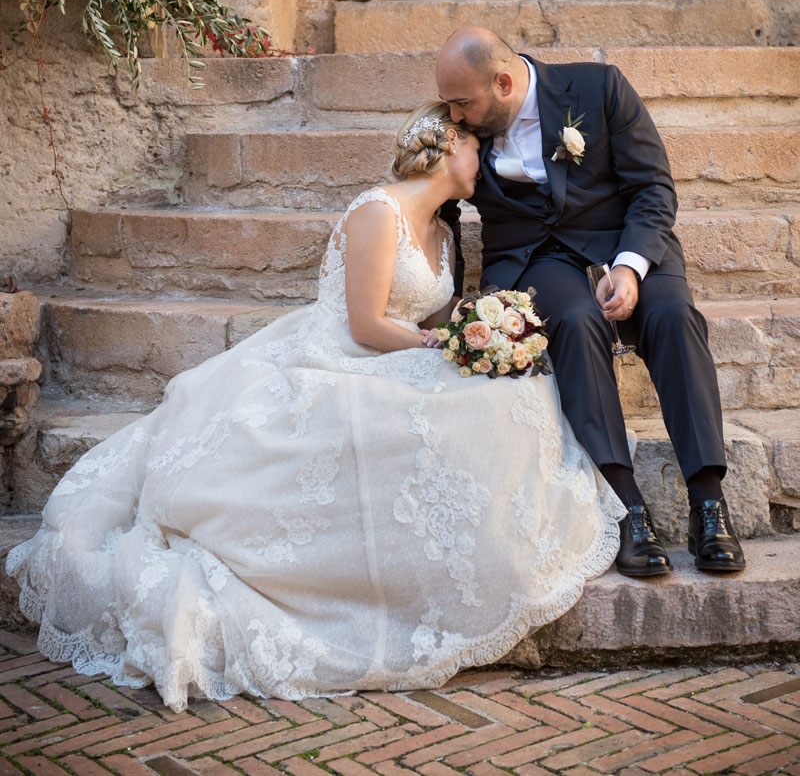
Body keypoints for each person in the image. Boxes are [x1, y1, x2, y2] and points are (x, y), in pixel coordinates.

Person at [7, 102, 624, 712]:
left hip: (397, 354)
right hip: (338, 356)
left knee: (508, 394)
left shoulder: (442, 232)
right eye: (476, 147)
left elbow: (437, 317)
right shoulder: (379, 212)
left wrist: (477, 335)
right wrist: (439, 343)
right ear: (446, 147)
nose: (484, 160)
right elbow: (364, 325)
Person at [435, 28, 746, 580]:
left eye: (464, 103)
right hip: (536, 259)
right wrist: (452, 299)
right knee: (576, 323)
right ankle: (628, 510)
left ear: (503, 83)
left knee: (674, 315)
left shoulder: (600, 88)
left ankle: (708, 503)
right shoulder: (461, 125)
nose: (455, 117)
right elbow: (442, 211)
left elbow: (653, 188)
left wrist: (629, 266)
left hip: (623, 241)